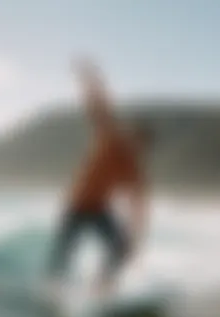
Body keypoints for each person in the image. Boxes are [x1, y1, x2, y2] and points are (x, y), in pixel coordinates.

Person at [46, 59, 150, 296]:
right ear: (130, 137)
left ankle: (101, 288)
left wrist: (135, 243)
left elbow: (139, 209)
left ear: (143, 148)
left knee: (121, 247)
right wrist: (91, 79)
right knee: (63, 255)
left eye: (139, 145)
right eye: (134, 140)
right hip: (76, 205)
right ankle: (52, 293)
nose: (134, 147)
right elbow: (99, 109)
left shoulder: (133, 171)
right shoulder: (110, 140)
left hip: (99, 209)